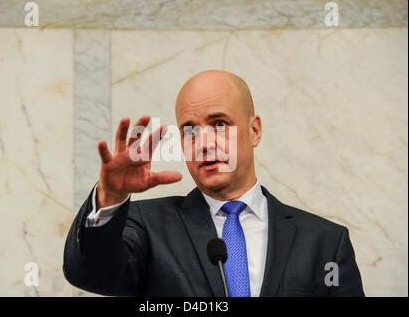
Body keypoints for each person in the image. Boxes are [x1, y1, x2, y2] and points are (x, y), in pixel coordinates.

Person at [63, 70, 365, 297]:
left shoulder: (324, 242)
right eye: (190, 130)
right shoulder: (146, 226)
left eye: (219, 123)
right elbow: (90, 273)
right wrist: (111, 195)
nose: (204, 143)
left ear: (255, 130)